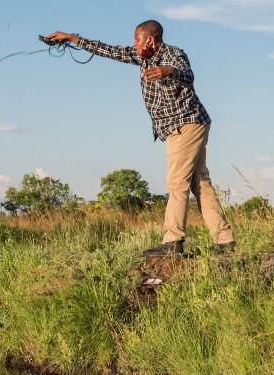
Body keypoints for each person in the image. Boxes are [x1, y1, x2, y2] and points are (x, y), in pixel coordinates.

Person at [47, 20, 236, 257]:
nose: (135, 45)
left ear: (151, 39)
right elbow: (110, 50)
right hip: (179, 126)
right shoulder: (143, 57)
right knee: (201, 183)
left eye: (137, 39)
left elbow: (188, 75)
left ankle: (173, 241)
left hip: (186, 123)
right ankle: (224, 240)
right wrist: (72, 38)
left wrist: (170, 71)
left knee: (177, 183)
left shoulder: (174, 54)